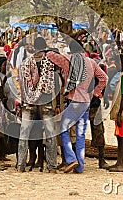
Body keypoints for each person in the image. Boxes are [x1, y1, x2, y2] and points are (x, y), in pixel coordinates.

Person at [46, 40, 108, 173]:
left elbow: (50, 55)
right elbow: (104, 78)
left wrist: (61, 52)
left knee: (63, 129)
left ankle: (71, 158)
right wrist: (95, 93)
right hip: (86, 101)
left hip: (73, 101)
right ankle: (80, 166)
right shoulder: (91, 62)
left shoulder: (68, 61)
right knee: (80, 134)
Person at [17, 37, 58, 173]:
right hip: (45, 100)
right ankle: (52, 166)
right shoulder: (50, 61)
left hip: (28, 101)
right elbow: (54, 82)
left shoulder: (26, 62)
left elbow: (22, 84)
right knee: (50, 134)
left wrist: (24, 100)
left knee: (24, 133)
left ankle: (20, 166)